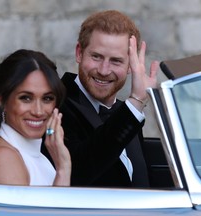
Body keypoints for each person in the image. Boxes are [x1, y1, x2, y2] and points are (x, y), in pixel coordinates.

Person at [42, 10, 158, 187]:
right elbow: (77, 173)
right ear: (79, 53)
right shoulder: (54, 105)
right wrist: (135, 102)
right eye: (96, 57)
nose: (104, 70)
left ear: (130, 66)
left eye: (116, 61)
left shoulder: (124, 112)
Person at [0, 49, 71, 186]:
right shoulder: (3, 158)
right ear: (2, 101)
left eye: (47, 98)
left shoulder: (36, 156)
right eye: (26, 98)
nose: (38, 111)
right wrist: (63, 170)